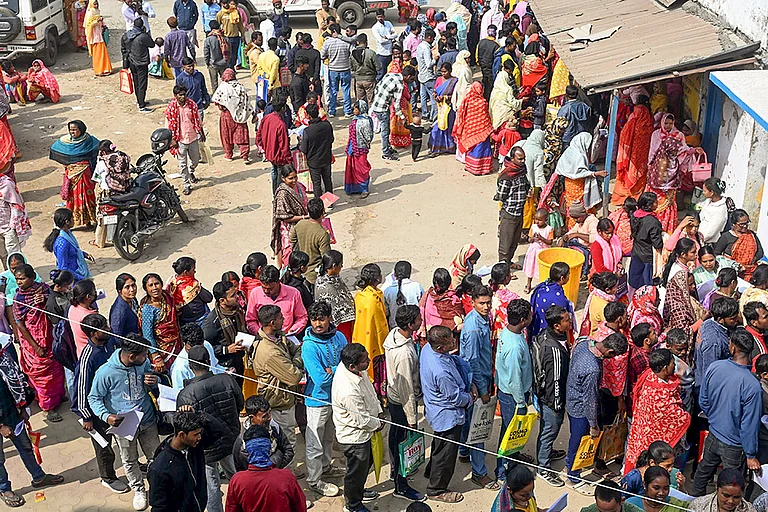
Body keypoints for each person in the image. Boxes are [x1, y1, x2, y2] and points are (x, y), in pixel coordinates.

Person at [88, 333, 160, 511]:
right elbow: (94, 398)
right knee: (129, 460)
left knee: (156, 457)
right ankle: (139, 489)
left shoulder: (143, 363)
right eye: (144, 355)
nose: (146, 358)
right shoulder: (105, 372)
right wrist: (107, 416)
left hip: (147, 420)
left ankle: (158, 487)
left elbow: (153, 383)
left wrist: (153, 381)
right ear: (131, 356)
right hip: (124, 425)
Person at [693, 327, 762, 495]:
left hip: (714, 434)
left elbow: (703, 400)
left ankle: (693, 502)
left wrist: (716, 418)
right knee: (732, 487)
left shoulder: (715, 367)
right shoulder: (753, 386)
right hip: (734, 445)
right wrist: (751, 454)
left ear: (732, 348)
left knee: (701, 475)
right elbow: (749, 425)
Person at [177, 345, 243, 512]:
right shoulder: (227, 379)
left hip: (205, 448)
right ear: (208, 362)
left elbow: (184, 425)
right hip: (231, 439)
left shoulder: (186, 394)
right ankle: (245, 506)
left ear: (190, 366)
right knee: (238, 478)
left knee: (211, 487)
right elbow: (240, 404)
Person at [0, 341, 64, 507]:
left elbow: (18, 381)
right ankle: (4, 489)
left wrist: (23, 407)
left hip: (12, 413)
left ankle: (39, 477)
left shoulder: (3, 357)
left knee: (26, 447)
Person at [72, 313, 127, 493]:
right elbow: (81, 388)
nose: (108, 329)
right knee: (105, 447)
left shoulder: (110, 343)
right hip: (97, 411)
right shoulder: (88, 357)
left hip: (116, 403)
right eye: (104, 328)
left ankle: (132, 464)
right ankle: (108, 477)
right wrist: (86, 416)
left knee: (126, 438)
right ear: (94, 334)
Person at [564, 333, 628, 486]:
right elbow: (590, 400)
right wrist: (593, 425)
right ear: (610, 352)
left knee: (575, 437)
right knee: (579, 440)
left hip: (571, 396)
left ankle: (572, 465)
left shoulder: (584, 343)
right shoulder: (593, 369)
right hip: (580, 407)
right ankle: (573, 475)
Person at [302, 300, 347, 497]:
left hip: (336, 397)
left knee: (329, 437)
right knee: (315, 442)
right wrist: (340, 371)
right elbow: (320, 378)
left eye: (322, 319)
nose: (318, 324)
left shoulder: (339, 337)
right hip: (317, 400)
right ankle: (314, 479)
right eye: (314, 319)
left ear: (330, 318)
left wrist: (335, 369)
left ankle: (326, 467)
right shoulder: (309, 347)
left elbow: (348, 363)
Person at [421, 326, 471, 503]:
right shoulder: (441, 372)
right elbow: (455, 398)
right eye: (450, 341)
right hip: (448, 415)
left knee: (439, 445)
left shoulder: (428, 349)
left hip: (436, 411)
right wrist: (470, 397)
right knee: (446, 455)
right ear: (440, 348)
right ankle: (436, 490)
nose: (454, 342)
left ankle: (431, 471)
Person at [457, 285, 499, 489]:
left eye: (488, 302)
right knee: (478, 429)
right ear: (473, 302)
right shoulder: (474, 327)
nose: (486, 306)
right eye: (481, 303)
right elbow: (472, 361)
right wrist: (482, 391)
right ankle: (479, 472)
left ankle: (464, 452)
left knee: (469, 422)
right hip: (476, 381)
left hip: (480, 377)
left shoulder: (483, 319)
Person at [248, 304, 303, 459]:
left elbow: (297, 348)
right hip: (279, 402)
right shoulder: (269, 351)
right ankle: (288, 474)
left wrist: (294, 359)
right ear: (272, 323)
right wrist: (297, 363)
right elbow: (294, 377)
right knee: (287, 441)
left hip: (283, 398)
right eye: (280, 318)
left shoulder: (279, 337)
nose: (284, 320)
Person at [332, 343, 383, 512]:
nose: (368, 362)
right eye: (364, 361)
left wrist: (380, 411)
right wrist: (378, 424)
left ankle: (357, 492)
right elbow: (362, 420)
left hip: (366, 432)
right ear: (352, 366)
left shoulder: (354, 370)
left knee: (364, 466)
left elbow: (369, 391)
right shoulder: (348, 390)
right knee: (356, 472)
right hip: (354, 437)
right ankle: (353, 505)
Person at [12, 264, 66, 422]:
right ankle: (48, 408)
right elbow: (20, 325)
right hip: (33, 342)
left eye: (22, 278)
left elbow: (55, 303)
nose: (19, 282)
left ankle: (57, 396)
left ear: (31, 278)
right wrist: (35, 347)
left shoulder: (43, 289)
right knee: (43, 376)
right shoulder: (18, 299)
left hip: (49, 336)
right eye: (16, 279)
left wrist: (45, 298)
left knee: (56, 369)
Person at [624, 348, 691, 473]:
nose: (675, 365)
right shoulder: (659, 392)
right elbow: (678, 417)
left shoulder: (649, 376)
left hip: (643, 431)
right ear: (665, 368)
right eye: (672, 363)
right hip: (649, 433)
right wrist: (685, 414)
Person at [384, 305, 424, 500]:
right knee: (403, 444)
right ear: (409, 325)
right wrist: (412, 418)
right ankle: (401, 485)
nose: (421, 322)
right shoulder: (404, 354)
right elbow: (406, 388)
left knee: (395, 436)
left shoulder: (394, 335)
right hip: (401, 400)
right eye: (418, 320)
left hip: (392, 394)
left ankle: (394, 471)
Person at [147, 410, 220, 512]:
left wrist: (197, 413)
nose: (199, 437)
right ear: (182, 435)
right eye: (196, 434)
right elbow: (159, 507)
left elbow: (217, 430)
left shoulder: (194, 446)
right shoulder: (160, 468)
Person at [531, 305, 570, 486]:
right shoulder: (553, 350)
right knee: (549, 431)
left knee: (547, 432)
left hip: (544, 395)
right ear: (556, 325)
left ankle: (545, 453)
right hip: (551, 399)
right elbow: (555, 381)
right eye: (566, 320)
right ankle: (543, 468)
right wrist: (557, 405)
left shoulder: (545, 335)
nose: (570, 322)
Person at [226, 424, 308, 511]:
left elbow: (231, 509)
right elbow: (300, 508)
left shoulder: (237, 481)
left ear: (247, 450)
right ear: (269, 447)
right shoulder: (286, 478)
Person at [494, 299, 534, 476]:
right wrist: (520, 403)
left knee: (510, 432)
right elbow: (514, 379)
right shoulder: (514, 348)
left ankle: (514, 459)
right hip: (513, 396)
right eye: (530, 315)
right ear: (524, 320)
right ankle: (503, 470)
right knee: (510, 434)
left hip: (508, 392)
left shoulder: (509, 332)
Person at [646, 113, 701, 233]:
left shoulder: (679, 135)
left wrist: (693, 150)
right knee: (657, 194)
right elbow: (652, 150)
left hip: (672, 170)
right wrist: (650, 165)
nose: (668, 126)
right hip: (658, 168)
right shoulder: (656, 134)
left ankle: (667, 224)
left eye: (670, 123)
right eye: (666, 123)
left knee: (669, 197)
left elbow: (683, 150)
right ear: (662, 122)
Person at [49, 121, 99, 228]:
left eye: (75, 129)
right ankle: (70, 223)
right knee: (72, 199)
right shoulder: (65, 141)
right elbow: (55, 150)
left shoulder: (89, 141)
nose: (72, 132)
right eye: (70, 129)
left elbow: (98, 150)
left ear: (81, 130)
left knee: (87, 197)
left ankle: (88, 221)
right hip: (72, 175)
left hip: (85, 175)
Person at [351, 264, 389, 400]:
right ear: (378, 278)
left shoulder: (360, 296)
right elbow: (381, 323)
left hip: (362, 338)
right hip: (376, 343)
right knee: (377, 371)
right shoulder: (374, 299)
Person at [612, 95, 654, 205]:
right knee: (639, 175)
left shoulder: (634, 118)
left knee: (628, 174)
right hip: (643, 156)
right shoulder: (649, 120)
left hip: (632, 155)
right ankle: (636, 196)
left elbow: (624, 135)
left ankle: (624, 198)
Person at [694, 297, 741, 391]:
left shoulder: (708, 323)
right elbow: (710, 373)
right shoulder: (714, 342)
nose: (737, 320)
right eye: (733, 319)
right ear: (720, 319)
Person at [245, 265, 308, 336]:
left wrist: (292, 331)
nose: (266, 291)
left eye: (270, 289)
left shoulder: (293, 293)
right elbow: (250, 320)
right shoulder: (255, 293)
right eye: (263, 288)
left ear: (278, 282)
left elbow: (302, 317)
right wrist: (260, 334)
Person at [370, 65, 416, 161]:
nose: (412, 81)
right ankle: (386, 153)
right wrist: (402, 117)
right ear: (408, 76)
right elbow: (397, 104)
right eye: (412, 78)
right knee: (385, 131)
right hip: (382, 109)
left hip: (377, 105)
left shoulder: (390, 75)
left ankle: (388, 148)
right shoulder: (400, 84)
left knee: (386, 129)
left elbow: (378, 87)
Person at [165, 85, 204, 195]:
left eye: (184, 94)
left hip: (192, 137)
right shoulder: (171, 108)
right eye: (180, 95)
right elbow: (168, 125)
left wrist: (202, 132)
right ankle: (186, 184)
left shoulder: (192, 105)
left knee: (196, 160)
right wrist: (172, 140)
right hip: (180, 140)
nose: (183, 97)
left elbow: (198, 119)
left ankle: (191, 171)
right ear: (175, 96)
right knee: (182, 164)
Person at [138, 273, 182, 372]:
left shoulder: (167, 297)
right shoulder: (147, 309)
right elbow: (147, 335)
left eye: (157, 284)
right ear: (146, 289)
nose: (155, 288)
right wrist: (155, 355)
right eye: (150, 285)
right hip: (162, 349)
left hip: (176, 342)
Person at [270, 165, 308, 269]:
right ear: (283, 178)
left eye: (295, 177)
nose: (294, 180)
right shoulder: (282, 194)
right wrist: (303, 217)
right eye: (290, 178)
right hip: (289, 228)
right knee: (290, 254)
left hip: (302, 224)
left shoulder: (299, 186)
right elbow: (284, 217)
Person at [454, 82, 495, 175]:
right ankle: (482, 168)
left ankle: (470, 166)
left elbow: (462, 113)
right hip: (482, 129)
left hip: (470, 128)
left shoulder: (467, 99)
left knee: (471, 147)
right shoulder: (483, 102)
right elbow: (485, 116)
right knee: (481, 147)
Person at [212, 68, 251, 163]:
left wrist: (224, 107)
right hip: (240, 115)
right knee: (242, 134)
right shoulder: (240, 86)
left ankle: (229, 154)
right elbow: (246, 100)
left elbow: (217, 101)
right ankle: (245, 155)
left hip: (227, 115)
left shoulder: (223, 86)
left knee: (226, 135)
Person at [42, 208, 92, 281]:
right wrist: (80, 278)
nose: (74, 220)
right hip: (72, 278)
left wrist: (84, 254)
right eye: (72, 218)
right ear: (67, 222)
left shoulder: (68, 233)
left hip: (77, 271)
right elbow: (63, 268)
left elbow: (74, 250)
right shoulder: (62, 243)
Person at [289, 198, 331, 286]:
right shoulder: (322, 234)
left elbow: (292, 241)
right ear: (323, 212)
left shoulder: (300, 224)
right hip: (314, 275)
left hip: (300, 271)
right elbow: (326, 256)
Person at [661, 238, 698, 334]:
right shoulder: (679, 272)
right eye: (693, 252)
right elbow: (684, 296)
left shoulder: (680, 266)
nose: (696, 254)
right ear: (683, 254)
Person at [715, 210, 764, 281]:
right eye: (741, 224)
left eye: (747, 223)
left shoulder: (751, 235)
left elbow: (760, 252)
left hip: (750, 271)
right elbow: (717, 254)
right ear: (733, 224)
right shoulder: (726, 237)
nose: (745, 226)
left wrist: (751, 259)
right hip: (732, 272)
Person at [628, 192, 663, 290]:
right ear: (649, 205)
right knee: (646, 285)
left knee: (635, 281)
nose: (657, 204)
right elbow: (657, 243)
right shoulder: (652, 222)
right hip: (647, 257)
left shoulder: (634, 215)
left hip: (636, 252)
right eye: (655, 202)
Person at [169, 323, 221, 389]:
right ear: (184, 344)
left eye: (200, 348)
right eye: (191, 350)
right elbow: (180, 394)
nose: (197, 353)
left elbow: (215, 367)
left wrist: (225, 370)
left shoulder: (207, 345)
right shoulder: (179, 369)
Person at [530, 262, 573, 338]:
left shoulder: (542, 287)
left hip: (537, 327)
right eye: (568, 274)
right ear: (562, 278)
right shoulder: (559, 299)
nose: (569, 276)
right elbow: (563, 320)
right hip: (548, 335)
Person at [166, 256, 213, 327]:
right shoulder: (192, 286)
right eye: (193, 270)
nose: (195, 271)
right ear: (186, 272)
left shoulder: (171, 282)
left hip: (182, 321)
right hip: (199, 319)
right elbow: (209, 298)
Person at [300, 104, 335, 198]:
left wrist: (301, 142)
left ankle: (319, 205)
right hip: (326, 158)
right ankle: (329, 201)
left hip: (314, 162)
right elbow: (331, 139)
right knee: (327, 180)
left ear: (308, 116)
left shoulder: (307, 131)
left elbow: (303, 149)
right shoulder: (327, 125)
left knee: (317, 184)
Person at [257, 99, 291, 193]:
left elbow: (259, 134)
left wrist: (263, 146)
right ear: (283, 108)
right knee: (280, 178)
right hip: (279, 156)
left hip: (269, 153)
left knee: (275, 174)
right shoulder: (281, 124)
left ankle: (275, 194)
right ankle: (278, 196)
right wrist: (289, 159)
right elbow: (283, 145)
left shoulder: (266, 118)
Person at [121, 19, 155, 112]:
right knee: (142, 83)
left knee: (136, 82)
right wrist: (145, 33)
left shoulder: (126, 35)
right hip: (141, 62)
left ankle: (140, 100)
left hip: (131, 61)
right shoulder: (143, 36)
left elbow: (123, 49)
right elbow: (152, 44)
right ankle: (141, 106)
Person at [427, 60, 460, 155]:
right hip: (440, 108)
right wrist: (435, 95)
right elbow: (435, 90)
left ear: (450, 71)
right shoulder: (439, 80)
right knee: (437, 127)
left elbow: (455, 95)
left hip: (449, 108)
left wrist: (445, 97)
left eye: (445, 71)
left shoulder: (454, 81)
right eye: (442, 71)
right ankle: (435, 148)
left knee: (448, 127)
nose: (443, 73)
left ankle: (449, 147)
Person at [344, 100, 374, 197]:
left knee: (361, 169)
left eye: (356, 109)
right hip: (352, 147)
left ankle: (364, 189)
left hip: (361, 148)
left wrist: (362, 144)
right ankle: (353, 188)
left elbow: (368, 136)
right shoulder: (355, 119)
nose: (354, 111)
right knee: (352, 168)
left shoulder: (366, 121)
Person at [382, 261, 424, 329]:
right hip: (415, 327)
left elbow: (386, 313)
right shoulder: (417, 287)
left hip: (395, 328)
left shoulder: (387, 291)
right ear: (409, 273)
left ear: (394, 274)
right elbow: (423, 306)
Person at [691, 469, 756, 512]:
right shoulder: (700, 506)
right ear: (717, 487)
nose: (731, 501)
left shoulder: (749, 510)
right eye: (726, 495)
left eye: (736, 497)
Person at [67, 279, 98, 357]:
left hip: (81, 351)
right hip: (93, 354)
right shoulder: (90, 316)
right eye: (94, 292)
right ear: (88, 297)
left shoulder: (72, 308)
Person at [84, 0, 112, 77]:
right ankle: (99, 70)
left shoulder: (97, 11)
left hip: (99, 33)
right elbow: (88, 25)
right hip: (94, 36)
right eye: (94, 4)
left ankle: (106, 68)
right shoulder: (90, 12)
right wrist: (96, 21)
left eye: (97, 4)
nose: (96, 5)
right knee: (98, 54)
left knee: (103, 52)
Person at [699, 177, 731, 244]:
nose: (703, 192)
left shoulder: (720, 210)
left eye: (705, 191)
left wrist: (698, 238)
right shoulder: (708, 201)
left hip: (708, 241)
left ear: (712, 192)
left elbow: (710, 232)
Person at [350, 34, 380, 105]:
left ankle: (361, 115)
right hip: (370, 80)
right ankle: (371, 115)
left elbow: (351, 68)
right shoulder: (371, 53)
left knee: (360, 101)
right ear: (366, 42)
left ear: (357, 42)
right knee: (371, 100)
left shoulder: (352, 54)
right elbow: (379, 67)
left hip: (358, 80)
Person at [216, 0, 245, 69]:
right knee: (228, 55)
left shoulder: (235, 12)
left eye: (227, 3)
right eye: (224, 3)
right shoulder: (220, 14)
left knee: (234, 55)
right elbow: (217, 25)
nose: (226, 5)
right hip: (226, 37)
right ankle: (229, 68)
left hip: (236, 36)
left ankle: (232, 66)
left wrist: (243, 35)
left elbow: (240, 24)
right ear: (221, 4)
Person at [416, 28, 437, 121]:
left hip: (421, 75)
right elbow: (429, 64)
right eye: (432, 38)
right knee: (433, 99)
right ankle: (433, 117)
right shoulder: (426, 48)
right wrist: (435, 59)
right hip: (428, 76)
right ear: (429, 37)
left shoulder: (420, 46)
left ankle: (425, 113)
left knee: (423, 96)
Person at [203, 20, 228, 91]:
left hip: (213, 64)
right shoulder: (225, 38)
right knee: (226, 82)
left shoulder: (208, 40)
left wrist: (207, 63)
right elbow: (230, 52)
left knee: (214, 84)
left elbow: (206, 53)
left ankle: (216, 98)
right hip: (224, 63)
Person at [372, 9, 397, 79]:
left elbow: (396, 34)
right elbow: (380, 40)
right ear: (376, 17)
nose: (380, 18)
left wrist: (386, 37)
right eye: (378, 17)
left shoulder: (388, 23)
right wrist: (390, 38)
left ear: (384, 16)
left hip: (390, 53)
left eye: (381, 17)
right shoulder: (375, 28)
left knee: (389, 72)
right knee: (381, 74)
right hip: (381, 54)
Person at [476, 25, 499, 99]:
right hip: (490, 69)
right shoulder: (496, 45)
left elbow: (476, 56)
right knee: (490, 86)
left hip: (483, 67)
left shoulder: (481, 42)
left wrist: (479, 63)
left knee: (484, 83)